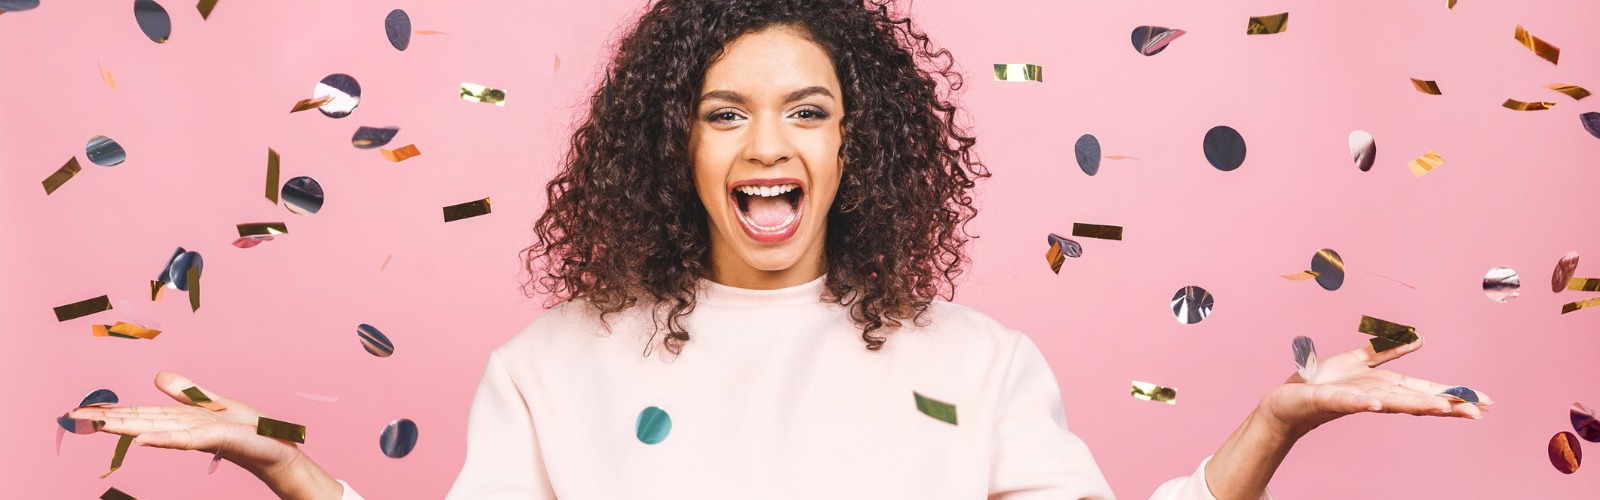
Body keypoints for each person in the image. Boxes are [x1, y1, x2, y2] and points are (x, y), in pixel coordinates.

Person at [68, 0, 1490, 498]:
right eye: (728, 113)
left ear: (855, 144)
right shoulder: (550, 367)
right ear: (673, 145)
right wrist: (295, 472)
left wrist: (1273, 426)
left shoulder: (976, 363)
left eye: (807, 112)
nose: (768, 148)